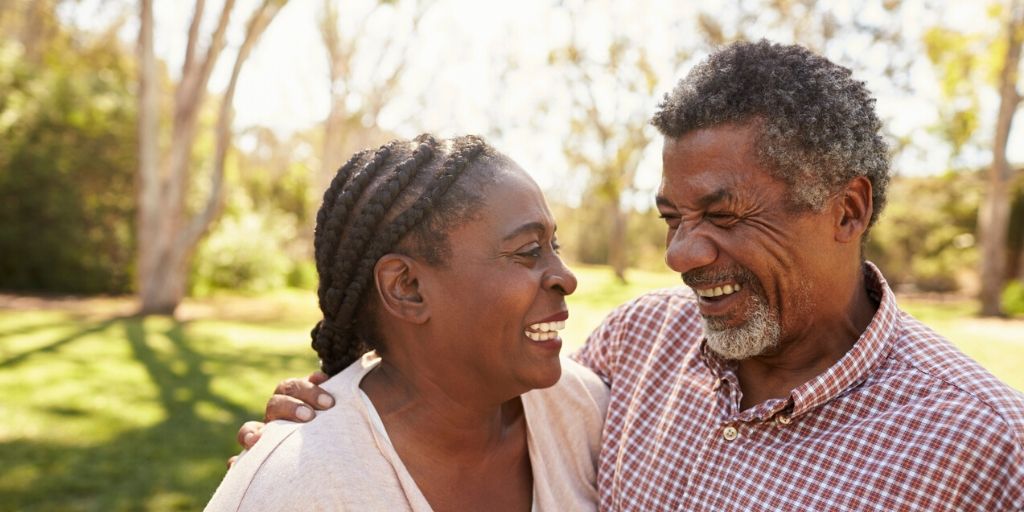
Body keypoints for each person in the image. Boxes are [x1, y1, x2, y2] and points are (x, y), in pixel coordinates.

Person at [241, 41, 1024, 510]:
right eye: (672, 218)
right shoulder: (635, 346)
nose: (683, 255)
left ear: (847, 210)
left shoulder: (982, 444)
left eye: (722, 215)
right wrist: (341, 416)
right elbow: (466, 388)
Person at [207, 134, 608, 511]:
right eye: (528, 250)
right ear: (407, 287)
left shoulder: (583, 411)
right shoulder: (296, 488)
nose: (566, 277)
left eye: (554, 245)